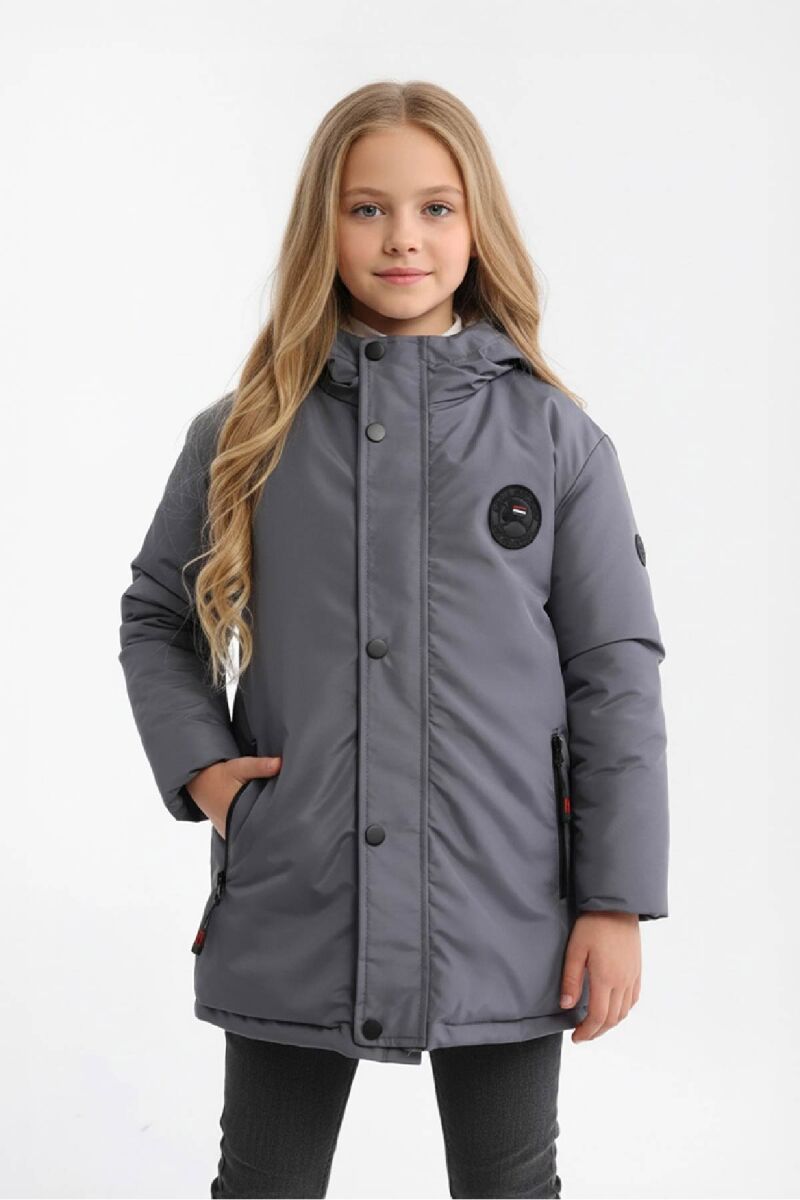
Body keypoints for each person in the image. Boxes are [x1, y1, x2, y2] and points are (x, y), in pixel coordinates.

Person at [118, 79, 669, 1200]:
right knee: (264, 1182)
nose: (402, 237)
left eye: (435, 208)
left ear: (477, 226)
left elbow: (613, 673)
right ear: (321, 227)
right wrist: (208, 773)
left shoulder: (556, 439)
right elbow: (155, 615)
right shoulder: (246, 431)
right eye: (366, 208)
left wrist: (614, 900)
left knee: (510, 1184)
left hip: (506, 891)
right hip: (296, 880)